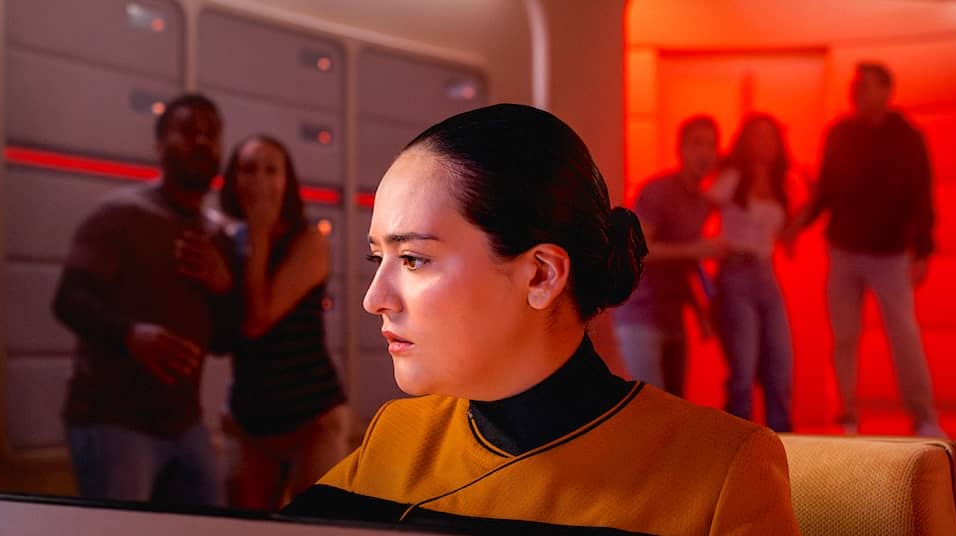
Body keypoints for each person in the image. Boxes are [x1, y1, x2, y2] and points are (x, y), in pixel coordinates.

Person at [281, 104, 799, 534]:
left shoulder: (723, 471)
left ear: (540, 276)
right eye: (378, 258)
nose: (375, 298)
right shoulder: (397, 435)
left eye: (414, 259)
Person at [52, 94, 234, 506]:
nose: (201, 141)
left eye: (211, 134)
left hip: (184, 423)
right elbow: (68, 300)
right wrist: (131, 335)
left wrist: (223, 285)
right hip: (113, 421)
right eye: (188, 131)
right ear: (159, 144)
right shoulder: (119, 215)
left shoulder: (216, 235)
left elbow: (224, 340)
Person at [785, 62, 943, 437]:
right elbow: (826, 190)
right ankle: (848, 414)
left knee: (903, 334)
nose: (858, 91)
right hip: (844, 250)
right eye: (856, 85)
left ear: (887, 91)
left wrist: (922, 250)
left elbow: (921, 193)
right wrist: (797, 224)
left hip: (890, 254)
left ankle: (924, 417)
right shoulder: (839, 133)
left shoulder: (907, 137)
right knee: (844, 336)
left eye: (867, 85)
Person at [215, 135, 351, 511]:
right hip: (249, 419)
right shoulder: (227, 240)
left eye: (271, 170)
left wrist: (259, 231)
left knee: (316, 525)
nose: (259, 180)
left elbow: (258, 321)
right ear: (232, 179)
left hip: (312, 418)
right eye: (248, 169)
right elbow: (221, 334)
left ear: (287, 182)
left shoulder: (308, 241)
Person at [613, 115, 727, 396]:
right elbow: (639, 249)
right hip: (640, 314)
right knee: (652, 404)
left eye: (711, 145)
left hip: (672, 316)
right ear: (681, 149)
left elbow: (684, 265)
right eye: (697, 144)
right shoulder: (658, 190)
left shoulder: (702, 202)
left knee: (675, 405)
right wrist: (696, 249)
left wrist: (700, 311)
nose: (704, 153)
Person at [706, 114, 797, 433]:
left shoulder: (781, 183)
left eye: (770, 136)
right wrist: (704, 249)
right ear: (745, 142)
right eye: (757, 135)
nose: (764, 142)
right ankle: (738, 441)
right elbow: (701, 209)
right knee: (743, 369)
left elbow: (786, 239)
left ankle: (784, 443)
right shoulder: (732, 178)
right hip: (735, 271)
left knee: (780, 365)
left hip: (766, 273)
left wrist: (811, 203)